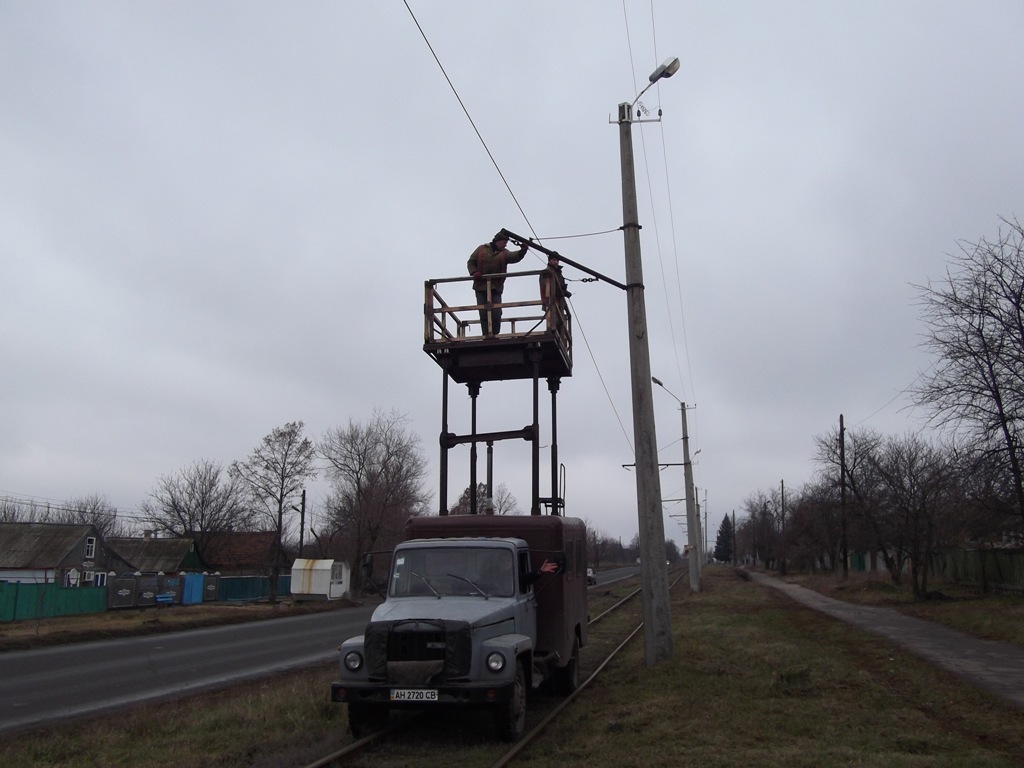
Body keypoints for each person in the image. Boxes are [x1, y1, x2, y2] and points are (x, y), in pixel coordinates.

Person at [467, 231, 530, 336]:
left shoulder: (504, 253)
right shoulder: (482, 249)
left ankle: (495, 334)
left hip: (496, 287)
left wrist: (522, 251)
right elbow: (471, 261)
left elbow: (514, 257)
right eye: (504, 242)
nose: (505, 245)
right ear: (498, 241)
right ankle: (486, 335)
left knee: (496, 313)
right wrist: (474, 272)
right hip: (480, 286)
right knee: (483, 313)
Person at [538, 255, 571, 331]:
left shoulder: (558, 274)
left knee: (559, 324)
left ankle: (557, 335)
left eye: (557, 260)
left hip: (558, 303)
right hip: (550, 301)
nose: (556, 262)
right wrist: (559, 290)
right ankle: (551, 332)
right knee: (553, 323)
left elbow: (559, 286)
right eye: (554, 260)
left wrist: (565, 291)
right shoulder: (546, 272)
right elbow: (546, 287)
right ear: (550, 261)